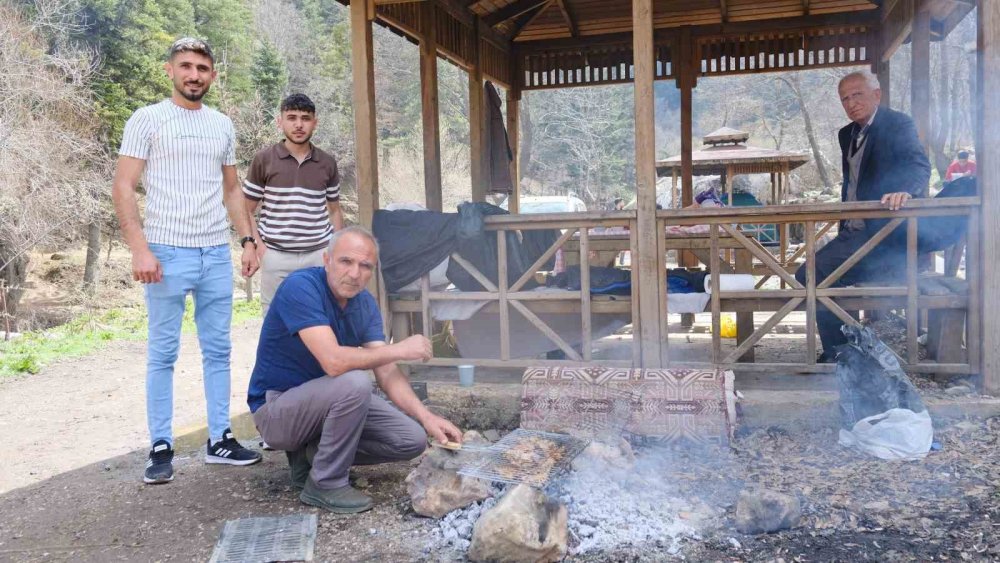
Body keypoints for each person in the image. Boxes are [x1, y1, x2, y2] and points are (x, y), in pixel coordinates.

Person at [111, 37, 263, 484]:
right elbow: (124, 185)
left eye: (202, 68)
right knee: (163, 352)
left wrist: (248, 239)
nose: (194, 75)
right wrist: (139, 247)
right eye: (185, 67)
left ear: (213, 75)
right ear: (170, 70)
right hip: (166, 251)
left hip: (215, 250)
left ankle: (220, 438)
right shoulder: (147, 119)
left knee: (218, 349)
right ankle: (160, 445)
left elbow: (232, 189)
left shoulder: (222, 125)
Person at [247, 226, 462, 513]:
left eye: (364, 266)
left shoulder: (364, 303)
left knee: (411, 440)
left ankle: (312, 457)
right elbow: (333, 361)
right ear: (326, 260)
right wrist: (400, 348)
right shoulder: (301, 288)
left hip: (326, 401)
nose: (354, 273)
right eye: (346, 261)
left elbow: (386, 371)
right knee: (355, 382)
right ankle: (325, 483)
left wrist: (427, 417)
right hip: (277, 410)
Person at [795, 70, 930, 362]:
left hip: (883, 233)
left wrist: (904, 190)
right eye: (845, 98)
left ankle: (842, 352)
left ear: (877, 94)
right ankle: (849, 347)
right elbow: (853, 181)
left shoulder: (897, 124)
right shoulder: (847, 134)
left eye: (857, 95)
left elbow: (918, 165)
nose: (851, 103)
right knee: (809, 275)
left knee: (814, 275)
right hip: (853, 231)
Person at [244, 94, 345, 316]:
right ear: (280, 121)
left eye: (305, 118)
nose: (298, 125)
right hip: (276, 254)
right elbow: (246, 210)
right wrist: (259, 247)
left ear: (314, 123)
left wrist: (336, 251)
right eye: (291, 118)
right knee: (275, 319)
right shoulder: (264, 159)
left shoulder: (327, 163)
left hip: (317, 254)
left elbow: (334, 211)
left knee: (320, 316)